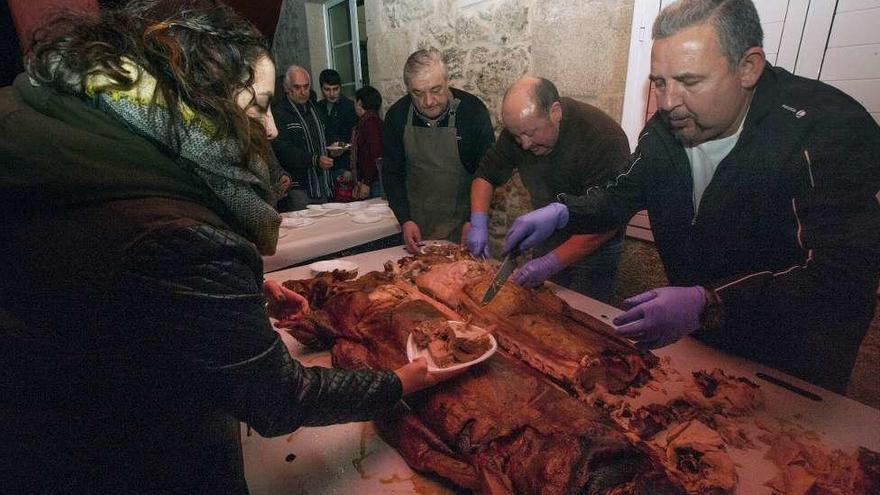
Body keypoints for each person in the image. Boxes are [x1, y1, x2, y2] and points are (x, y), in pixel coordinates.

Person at [0, 1, 454, 493]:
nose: (273, 128)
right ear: (199, 96)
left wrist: (220, 295)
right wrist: (402, 381)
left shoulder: (81, 125)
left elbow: (107, 264)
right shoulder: (179, 234)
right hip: (122, 454)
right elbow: (279, 397)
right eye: (259, 106)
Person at [502, 0, 880, 394]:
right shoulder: (665, 128)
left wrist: (709, 301)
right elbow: (622, 194)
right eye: (660, 83)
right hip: (705, 336)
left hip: (793, 355)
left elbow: (841, 274)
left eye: (689, 81)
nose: (667, 102)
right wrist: (565, 212)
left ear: (747, 67)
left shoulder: (826, 131)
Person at [467, 76, 630, 302]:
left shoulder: (603, 137)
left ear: (555, 112)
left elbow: (610, 217)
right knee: (541, 306)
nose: (524, 144)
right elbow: (485, 175)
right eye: (517, 136)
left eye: (531, 133)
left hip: (596, 244)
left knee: (583, 317)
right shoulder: (520, 130)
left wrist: (551, 263)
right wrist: (478, 220)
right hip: (549, 234)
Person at [382, 48, 495, 253]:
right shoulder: (396, 116)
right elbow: (392, 175)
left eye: (435, 90)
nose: (428, 102)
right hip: (415, 230)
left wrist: (474, 221)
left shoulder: (473, 112)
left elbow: (487, 173)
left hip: (463, 228)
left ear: (447, 80)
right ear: (408, 89)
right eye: (417, 93)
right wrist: (404, 219)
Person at [271, 64, 334, 210]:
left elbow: (325, 137)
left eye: (306, 87)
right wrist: (314, 159)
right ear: (287, 88)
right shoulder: (280, 113)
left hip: (322, 182)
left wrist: (333, 148)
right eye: (297, 87)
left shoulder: (316, 110)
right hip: (297, 186)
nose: (303, 92)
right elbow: (283, 150)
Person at [315, 68, 358, 183]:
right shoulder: (318, 107)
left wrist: (350, 168)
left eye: (335, 89)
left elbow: (355, 138)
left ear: (340, 88)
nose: (332, 93)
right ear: (321, 89)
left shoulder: (349, 107)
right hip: (324, 164)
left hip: (343, 164)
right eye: (327, 90)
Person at [353, 85, 384, 198]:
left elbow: (375, 154)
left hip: (374, 181)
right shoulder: (371, 121)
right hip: (372, 180)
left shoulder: (370, 123)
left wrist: (366, 181)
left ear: (360, 102)